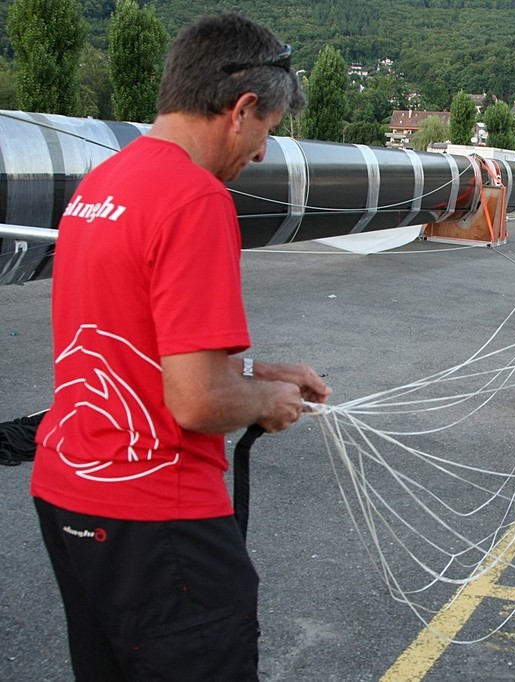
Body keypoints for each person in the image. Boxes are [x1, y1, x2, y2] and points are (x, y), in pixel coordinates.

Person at [30, 13, 331, 681]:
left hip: (70, 494)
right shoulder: (195, 198)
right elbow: (197, 401)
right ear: (241, 108)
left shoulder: (104, 185)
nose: (258, 154)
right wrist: (266, 400)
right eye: (266, 133)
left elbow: (130, 342)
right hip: (155, 516)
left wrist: (255, 370)